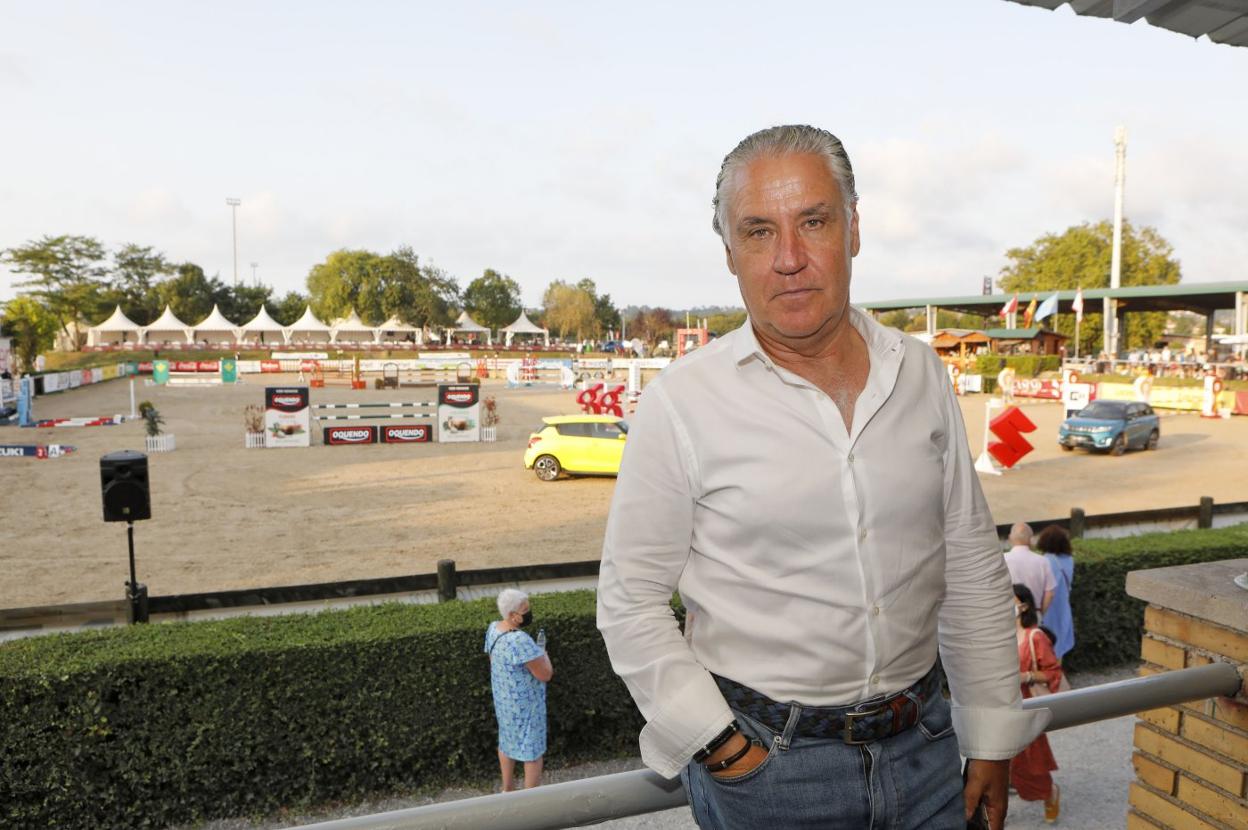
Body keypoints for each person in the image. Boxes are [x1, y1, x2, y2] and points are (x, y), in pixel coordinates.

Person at [597, 125, 1047, 830]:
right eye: (758, 232)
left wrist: (991, 734)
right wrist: (720, 747)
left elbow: (966, 559)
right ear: (729, 254)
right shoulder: (681, 403)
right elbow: (629, 599)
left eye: (813, 221)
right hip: (769, 775)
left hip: (929, 752)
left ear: (854, 228)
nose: (789, 259)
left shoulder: (920, 373)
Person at [484, 588, 553, 791]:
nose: (529, 612)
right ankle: (529, 801)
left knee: (507, 742)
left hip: (504, 701)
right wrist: (544, 654)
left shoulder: (493, 628)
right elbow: (545, 674)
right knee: (532, 752)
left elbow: (493, 660)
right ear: (513, 615)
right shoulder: (520, 640)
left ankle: (507, 790)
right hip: (527, 706)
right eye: (525, 610)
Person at [1011, 584, 1062, 823]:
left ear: (1023, 606)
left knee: (1031, 757)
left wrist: (1027, 676)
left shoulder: (1035, 636)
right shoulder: (998, 635)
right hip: (1002, 704)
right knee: (999, 759)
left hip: (1028, 704)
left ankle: (1049, 793)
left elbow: (1053, 671)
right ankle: (995, 810)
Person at [1034, 525, 1075, 661]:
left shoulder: (1043, 561)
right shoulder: (1069, 560)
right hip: (1063, 609)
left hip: (1047, 609)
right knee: (1059, 648)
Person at [1003, 522, 1056, 617]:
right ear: (1031, 539)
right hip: (1034, 614)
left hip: (1008, 614)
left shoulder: (1002, 560)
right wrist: (1039, 613)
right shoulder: (1043, 561)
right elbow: (1050, 593)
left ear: (1010, 538)